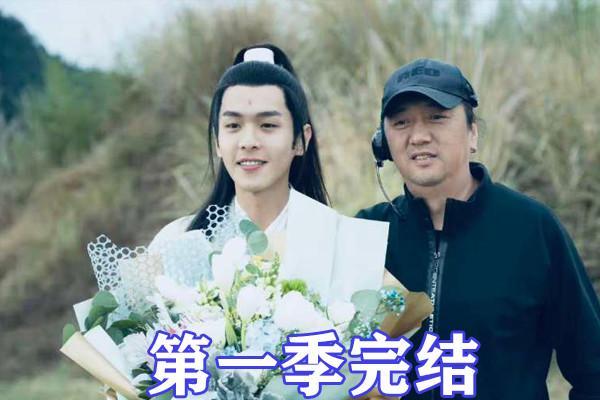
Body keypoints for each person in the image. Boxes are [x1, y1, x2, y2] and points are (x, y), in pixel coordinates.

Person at [357, 58, 600, 399]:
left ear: (473, 133)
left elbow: (593, 368)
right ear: (382, 142)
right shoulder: (365, 234)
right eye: (401, 122)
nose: (419, 136)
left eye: (437, 117)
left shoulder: (531, 229)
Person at [149, 43, 389, 305]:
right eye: (233, 125)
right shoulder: (177, 240)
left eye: (268, 125)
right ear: (217, 141)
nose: (248, 142)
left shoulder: (342, 244)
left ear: (301, 140)